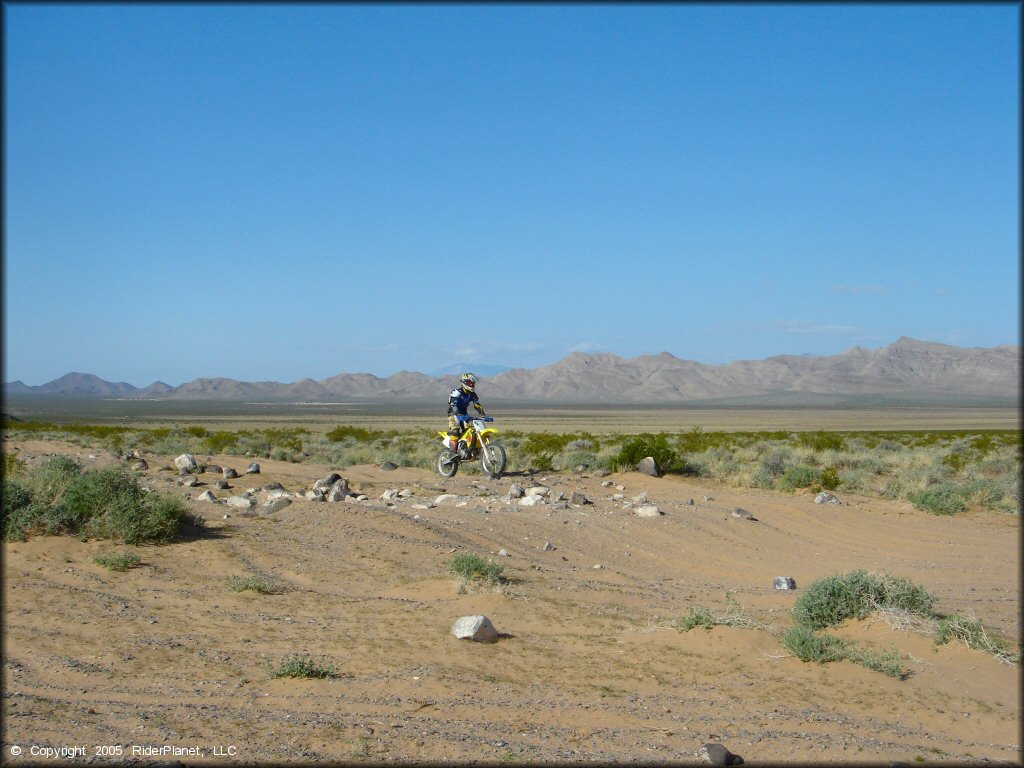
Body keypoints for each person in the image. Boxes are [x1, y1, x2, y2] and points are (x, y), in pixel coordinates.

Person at [448, 373, 485, 455]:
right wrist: (457, 413)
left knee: (471, 430)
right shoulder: (457, 392)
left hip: (464, 414)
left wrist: (483, 415)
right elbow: (452, 404)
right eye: (470, 383)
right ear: (464, 383)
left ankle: (467, 449)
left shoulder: (472, 394)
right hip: (453, 414)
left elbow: (477, 404)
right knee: (455, 431)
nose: (472, 385)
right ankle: (452, 454)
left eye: (473, 383)